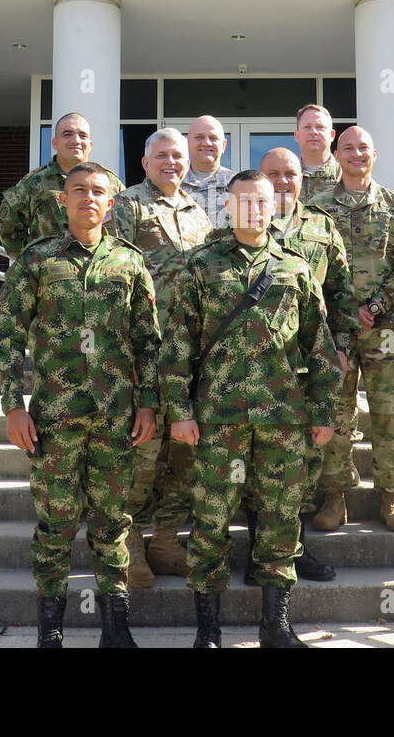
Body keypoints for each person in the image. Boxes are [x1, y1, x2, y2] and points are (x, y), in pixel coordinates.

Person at [158, 170, 341, 647]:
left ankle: (275, 627)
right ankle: (209, 631)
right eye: (244, 202)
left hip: (283, 419)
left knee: (281, 521)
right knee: (211, 521)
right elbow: (176, 345)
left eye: (262, 202)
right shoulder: (199, 266)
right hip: (218, 419)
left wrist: (324, 411)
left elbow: (318, 346)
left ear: (273, 206)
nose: (254, 210)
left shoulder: (295, 268)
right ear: (228, 207)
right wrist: (179, 410)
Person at [0, 162, 160, 648]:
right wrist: (12, 405)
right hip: (54, 419)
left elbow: (147, 341)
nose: (88, 197)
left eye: (98, 192)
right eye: (78, 190)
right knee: (56, 525)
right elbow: (7, 335)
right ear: (61, 201)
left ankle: (116, 629)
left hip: (116, 419)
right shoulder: (37, 259)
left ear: (112, 205)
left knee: (113, 524)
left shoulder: (130, 262)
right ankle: (52, 631)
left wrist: (148, 404)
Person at [236, 147, 355, 585]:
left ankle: (294, 548)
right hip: (254, 371)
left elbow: (342, 292)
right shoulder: (234, 228)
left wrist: (340, 346)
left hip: (310, 365)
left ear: (302, 179)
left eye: (290, 174)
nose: (283, 181)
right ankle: (258, 552)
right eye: (273, 174)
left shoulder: (323, 226)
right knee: (255, 464)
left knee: (302, 463)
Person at [110, 128, 214, 586]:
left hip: (189, 354)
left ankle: (167, 540)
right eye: (163, 156)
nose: (173, 162)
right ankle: (129, 545)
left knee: (184, 452)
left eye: (179, 155)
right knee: (143, 450)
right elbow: (114, 275)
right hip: (145, 349)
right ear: (145, 161)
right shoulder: (128, 205)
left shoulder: (198, 214)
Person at [308, 126, 394, 533]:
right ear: (336, 155)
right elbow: (310, 265)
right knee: (337, 411)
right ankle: (335, 495)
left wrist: (373, 306)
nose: (356, 153)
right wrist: (345, 309)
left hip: (383, 327)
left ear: (376, 154)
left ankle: (393, 496)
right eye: (348, 147)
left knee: (388, 413)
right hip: (334, 327)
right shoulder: (316, 206)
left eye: (364, 148)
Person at [0, 112, 123, 259]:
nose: (76, 141)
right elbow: (9, 232)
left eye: (82, 136)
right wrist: (33, 263)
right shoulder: (33, 183)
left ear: (90, 144)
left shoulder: (111, 183)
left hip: (99, 274)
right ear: (55, 143)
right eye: (67, 134)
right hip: (49, 276)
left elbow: (125, 229)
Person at [181, 114, 236, 228]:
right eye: (199, 137)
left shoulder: (238, 185)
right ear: (187, 143)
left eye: (213, 138)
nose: (206, 143)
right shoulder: (172, 183)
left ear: (224, 145)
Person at [293, 103, 342, 203]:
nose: (313, 132)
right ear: (297, 135)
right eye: (307, 127)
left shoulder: (346, 175)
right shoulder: (286, 178)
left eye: (320, 127)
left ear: (332, 135)